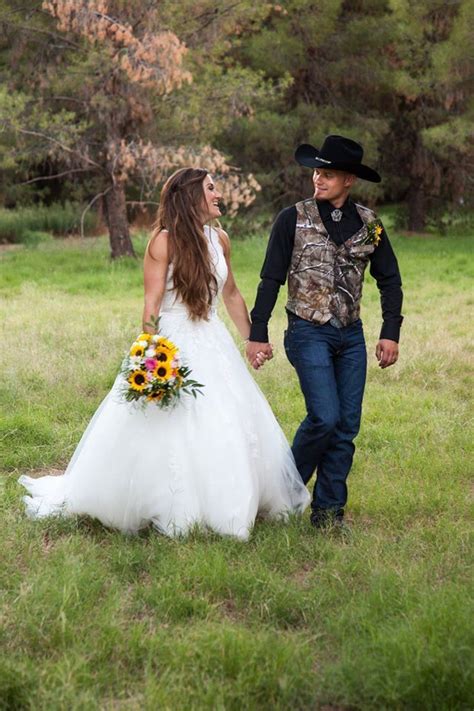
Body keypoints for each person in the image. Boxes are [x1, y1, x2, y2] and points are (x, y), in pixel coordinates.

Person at [19, 167, 310, 540]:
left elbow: (232, 294)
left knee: (226, 418)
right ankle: (170, 503)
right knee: (169, 423)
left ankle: (232, 500)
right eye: (210, 188)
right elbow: (151, 304)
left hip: (213, 339)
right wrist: (151, 354)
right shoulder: (163, 242)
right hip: (173, 341)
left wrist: (254, 338)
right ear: (191, 197)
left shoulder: (220, 238)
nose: (218, 193)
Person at [246, 135, 403, 529]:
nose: (318, 179)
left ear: (349, 179)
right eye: (317, 171)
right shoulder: (293, 218)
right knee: (325, 417)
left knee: (346, 426)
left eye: (328, 174)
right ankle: (284, 494)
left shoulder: (369, 226)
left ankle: (329, 514)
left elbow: (391, 280)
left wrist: (390, 332)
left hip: (350, 336)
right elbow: (270, 278)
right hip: (307, 330)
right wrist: (258, 331)